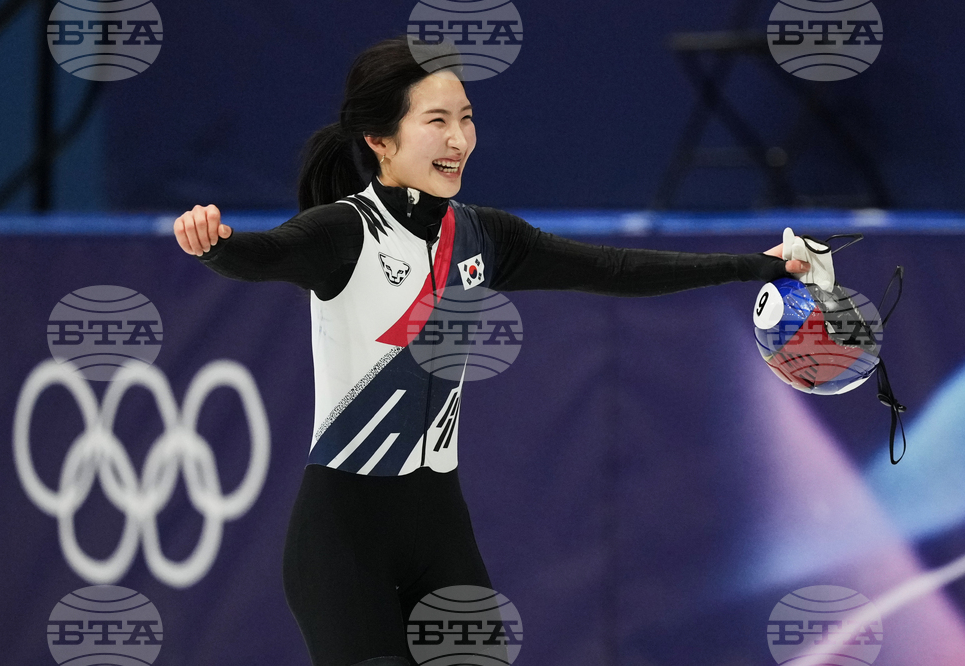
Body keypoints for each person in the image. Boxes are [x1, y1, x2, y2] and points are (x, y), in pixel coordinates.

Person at [173, 36, 810, 666]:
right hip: (343, 542)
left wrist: (752, 265)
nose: (459, 139)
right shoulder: (345, 232)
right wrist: (214, 245)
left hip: (440, 528)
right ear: (380, 140)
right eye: (437, 121)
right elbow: (262, 254)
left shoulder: (482, 235)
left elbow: (615, 268)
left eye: (467, 118)